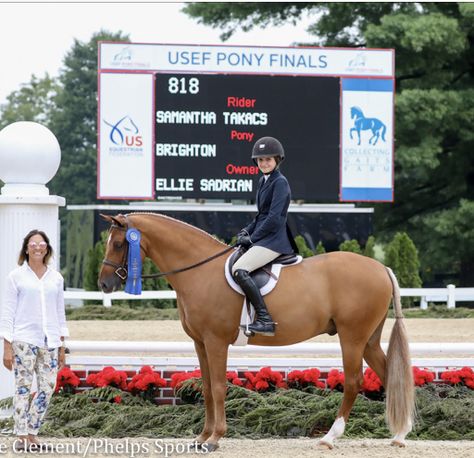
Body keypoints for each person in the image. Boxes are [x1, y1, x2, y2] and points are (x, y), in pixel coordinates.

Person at [0, 229, 68, 452]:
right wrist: (7, 346)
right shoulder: (16, 276)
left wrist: (61, 346)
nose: (38, 247)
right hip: (23, 340)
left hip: (50, 341)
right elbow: (8, 312)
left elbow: (60, 313)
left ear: (47, 248)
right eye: (33, 244)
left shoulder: (56, 278)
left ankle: (32, 430)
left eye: (42, 244)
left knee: (48, 387)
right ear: (26, 248)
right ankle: (21, 436)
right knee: (22, 388)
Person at [232, 137, 298, 336]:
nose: (264, 163)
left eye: (268, 159)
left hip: (274, 241)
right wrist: (247, 230)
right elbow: (261, 215)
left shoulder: (280, 183)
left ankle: (264, 319)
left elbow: (274, 219)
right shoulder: (263, 180)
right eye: (260, 160)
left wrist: (252, 239)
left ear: (277, 160)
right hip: (264, 236)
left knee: (239, 268)